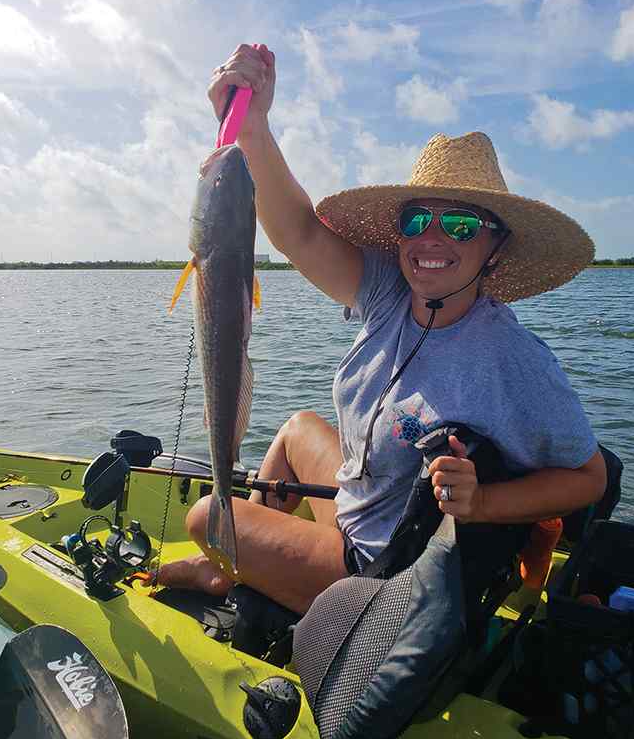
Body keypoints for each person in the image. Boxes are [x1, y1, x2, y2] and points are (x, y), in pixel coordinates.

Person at [151, 43, 607, 614]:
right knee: (296, 430)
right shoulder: (392, 293)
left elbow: (589, 477)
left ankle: (232, 562)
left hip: (378, 570)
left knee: (201, 515)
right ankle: (240, 562)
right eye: (418, 219)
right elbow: (301, 233)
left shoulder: (511, 358)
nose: (433, 238)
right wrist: (254, 127)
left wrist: (482, 501)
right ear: (400, 233)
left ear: (496, 246)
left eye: (461, 224)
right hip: (357, 506)